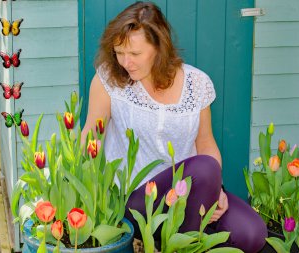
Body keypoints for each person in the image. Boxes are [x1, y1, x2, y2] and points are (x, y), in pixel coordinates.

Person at [81, 2, 267, 252]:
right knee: (204, 168)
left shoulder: (197, 84)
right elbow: (90, 139)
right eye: (119, 52)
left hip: (192, 192)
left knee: (252, 234)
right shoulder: (109, 80)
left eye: (135, 54)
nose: (126, 62)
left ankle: (183, 237)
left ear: (159, 47)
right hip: (139, 200)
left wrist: (216, 190)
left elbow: (206, 144)